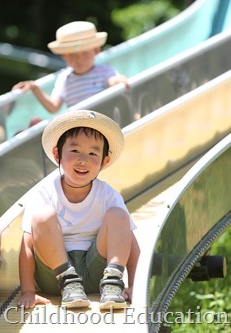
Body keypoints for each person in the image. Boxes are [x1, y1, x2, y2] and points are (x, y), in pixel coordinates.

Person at [18, 110, 140, 310]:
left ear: (104, 161)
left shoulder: (107, 195)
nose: (83, 159)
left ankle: (113, 282)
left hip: (98, 273)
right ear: (58, 154)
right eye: (74, 151)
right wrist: (28, 291)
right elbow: (27, 245)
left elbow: (129, 242)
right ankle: (69, 281)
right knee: (42, 215)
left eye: (93, 153)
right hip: (54, 275)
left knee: (119, 215)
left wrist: (135, 284)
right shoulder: (44, 192)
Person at [12, 21, 129, 117]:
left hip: (102, 121)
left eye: (84, 53)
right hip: (78, 128)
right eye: (72, 55)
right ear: (64, 56)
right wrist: (35, 88)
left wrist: (118, 81)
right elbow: (53, 107)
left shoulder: (104, 70)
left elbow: (112, 81)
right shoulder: (65, 79)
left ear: (96, 50)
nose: (79, 59)